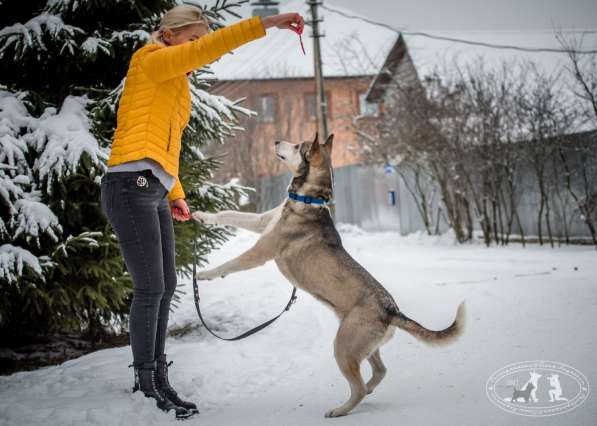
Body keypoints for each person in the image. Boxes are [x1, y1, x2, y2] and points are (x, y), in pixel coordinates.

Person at [99, 4, 304, 419]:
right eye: (191, 39)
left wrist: (174, 192)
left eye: (197, 40)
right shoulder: (151, 60)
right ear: (169, 35)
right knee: (150, 288)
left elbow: (166, 144)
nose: (195, 49)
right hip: (128, 184)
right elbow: (208, 50)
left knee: (167, 284)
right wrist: (268, 23)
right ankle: (146, 380)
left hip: (152, 188)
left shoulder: (174, 82)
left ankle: (158, 374)